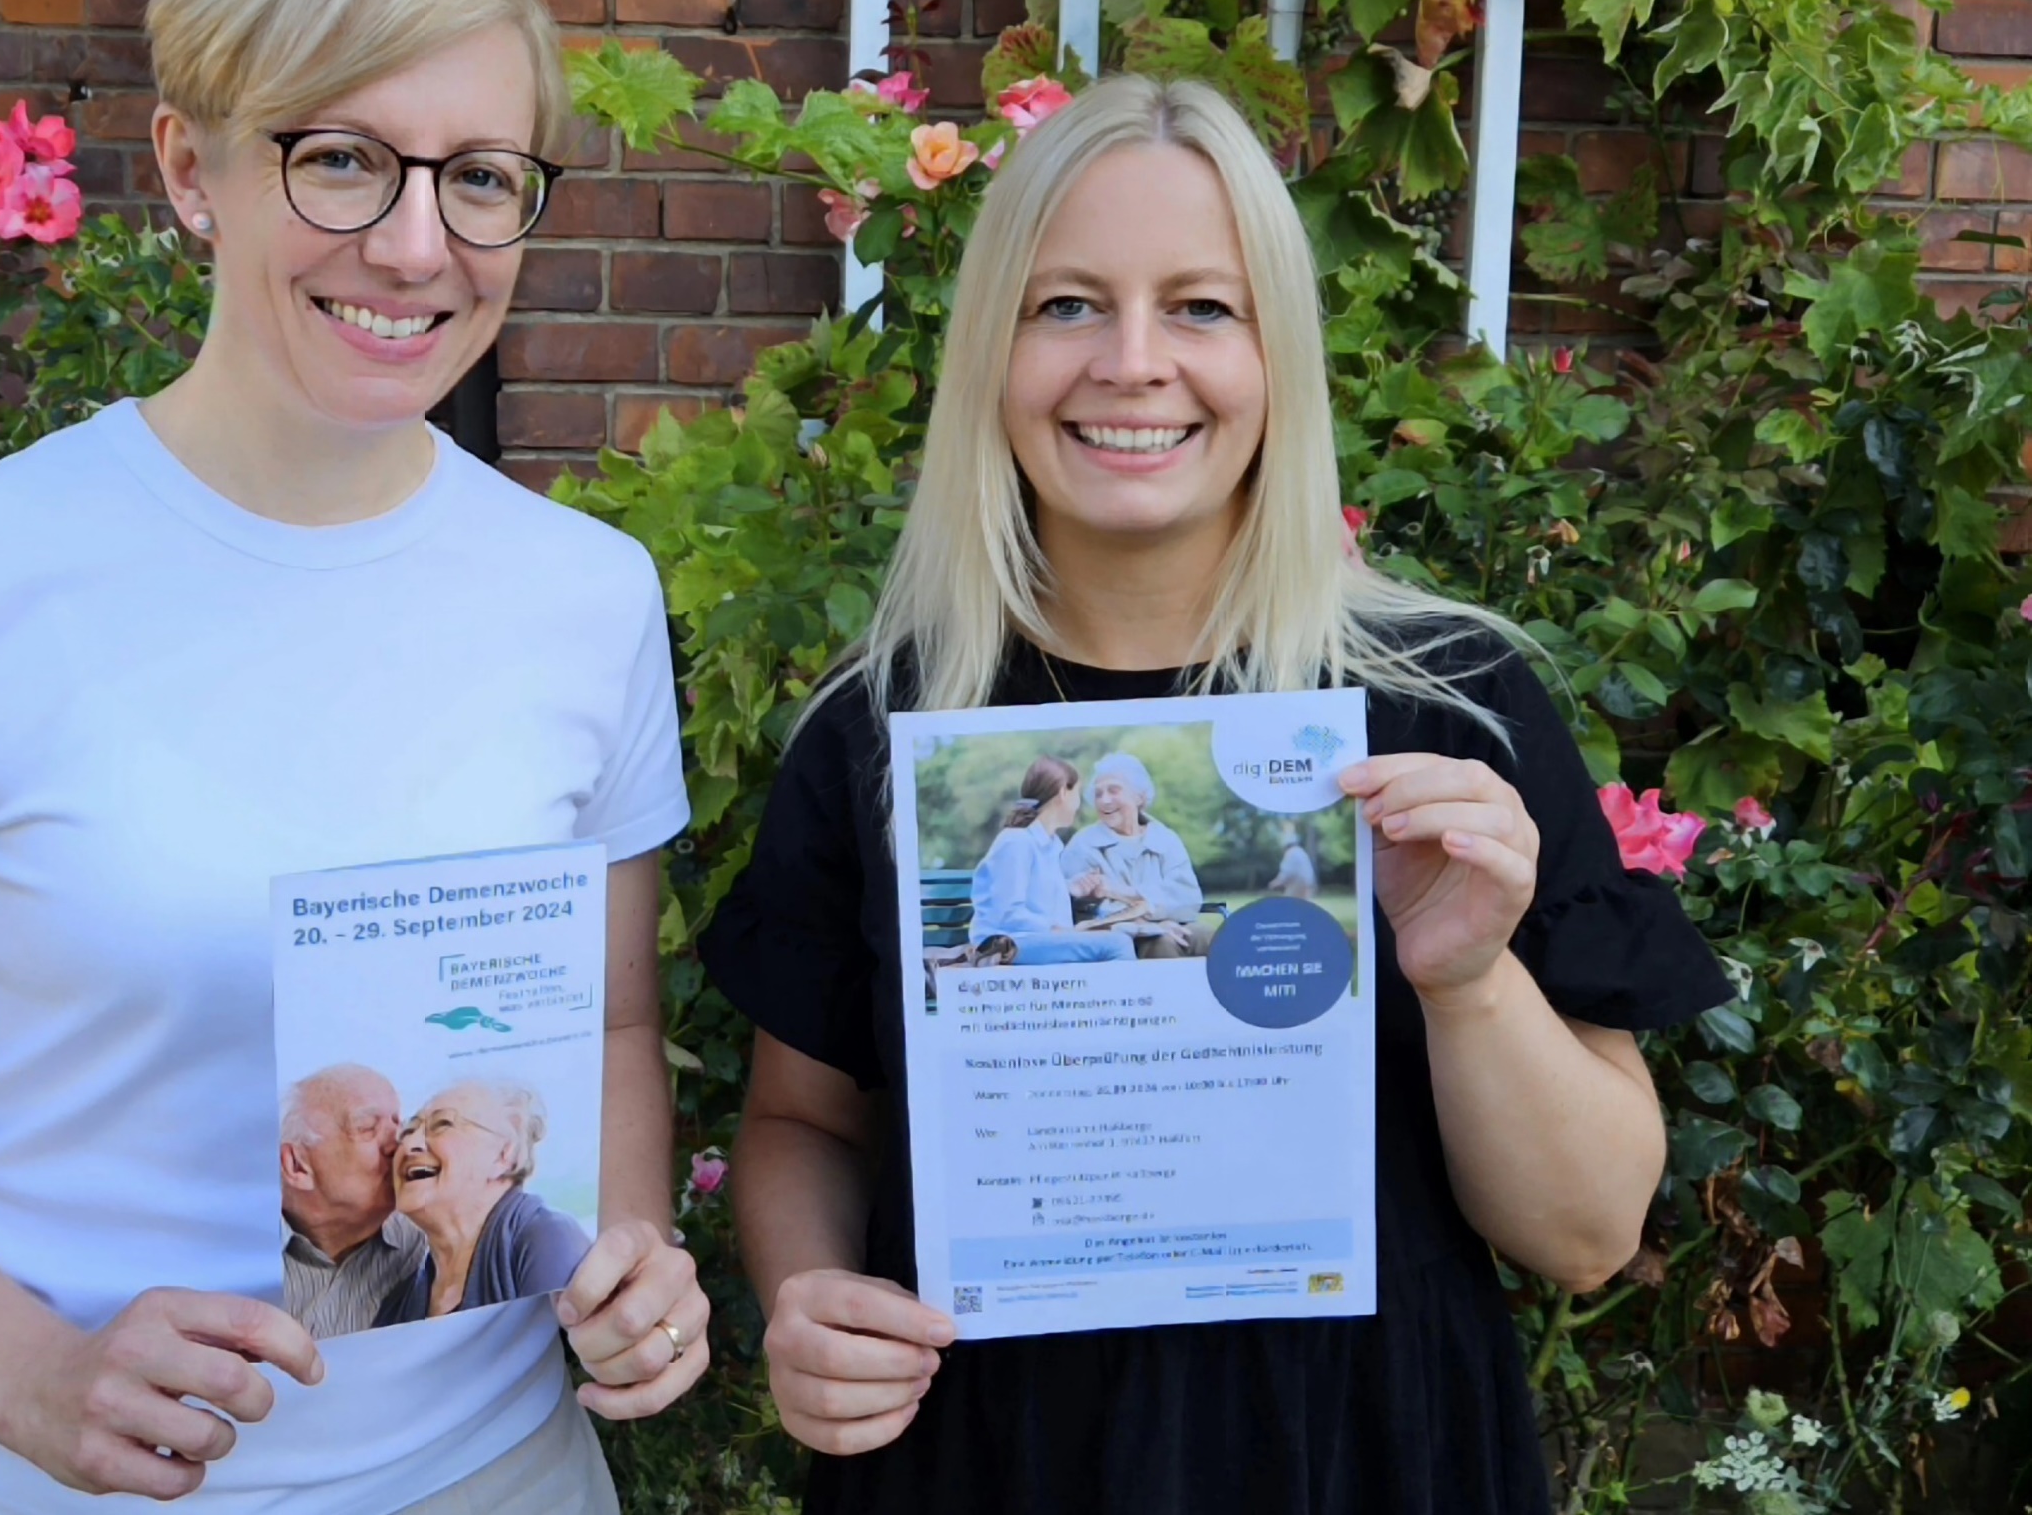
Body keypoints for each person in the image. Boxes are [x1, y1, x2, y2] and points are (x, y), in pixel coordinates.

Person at [0, 0, 709, 1515]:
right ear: (187, 170)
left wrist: (626, 1255)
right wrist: (26, 1373)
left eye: (480, 178)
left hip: (490, 1473)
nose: (417, 243)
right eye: (342, 157)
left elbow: (607, 1020)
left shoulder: (583, 596)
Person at [701, 76, 1729, 1514]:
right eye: (1066, 305)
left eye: (1200, 306)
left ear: (1277, 357)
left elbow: (1586, 1232)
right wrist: (808, 1289)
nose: (1133, 363)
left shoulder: (1451, 709)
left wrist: (1470, 981)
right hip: (989, 1452)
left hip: (1361, 1453)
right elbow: (803, 1119)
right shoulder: (881, 730)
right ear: (991, 347)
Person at [374, 1081, 593, 1326]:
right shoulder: (398, 1304)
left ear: (503, 1155)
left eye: (442, 1124)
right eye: (408, 1131)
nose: (410, 1145)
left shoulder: (546, 1239)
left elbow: (569, 1358)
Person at [281, 1065, 428, 1339]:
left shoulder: (428, 1240)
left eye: (400, 1125)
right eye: (367, 1128)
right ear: (297, 1165)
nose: (398, 1146)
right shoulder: (232, 1254)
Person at [964, 758, 1131, 966]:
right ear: (1063, 792)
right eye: (1077, 794)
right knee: (1117, 945)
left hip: (1036, 941)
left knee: (1120, 934)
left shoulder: (1052, 846)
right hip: (1007, 946)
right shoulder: (1016, 841)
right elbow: (1007, 913)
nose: (1079, 804)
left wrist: (1071, 890)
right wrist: (1055, 929)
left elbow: (1039, 902)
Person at [1059, 752, 1210, 956]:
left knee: (1208, 936)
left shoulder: (1165, 838)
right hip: (1116, 936)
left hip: (1171, 923)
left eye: (1114, 790)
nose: (1104, 800)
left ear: (1139, 797)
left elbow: (1189, 898)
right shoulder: (1083, 844)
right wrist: (1150, 924)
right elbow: (1082, 913)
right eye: (1098, 794)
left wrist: (1122, 891)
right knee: (1161, 943)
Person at [1268, 822, 1320, 902]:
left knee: (1288, 906)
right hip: (1308, 885)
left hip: (1298, 885)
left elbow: (1286, 873)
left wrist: (1274, 883)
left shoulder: (1290, 854)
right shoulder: (1301, 852)